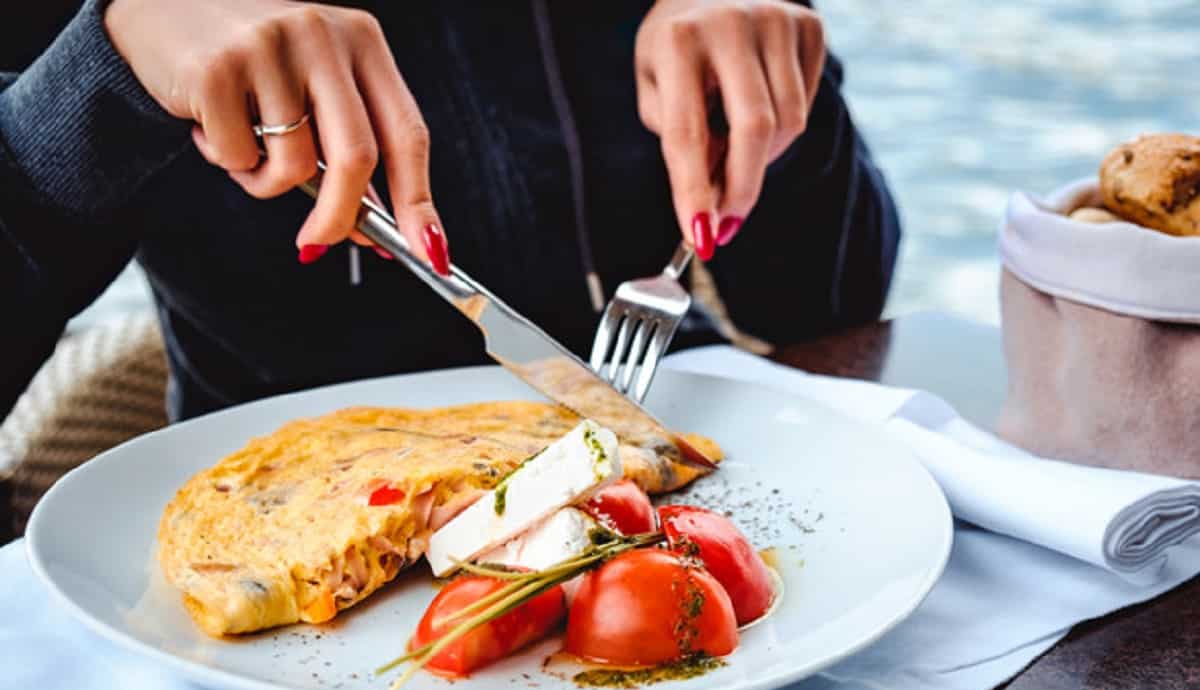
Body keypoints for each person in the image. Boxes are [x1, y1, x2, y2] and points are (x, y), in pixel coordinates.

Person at [0, 0, 899, 421]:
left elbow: (831, 310)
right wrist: (107, 67)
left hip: (688, 438)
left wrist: (777, 94)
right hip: (293, 510)